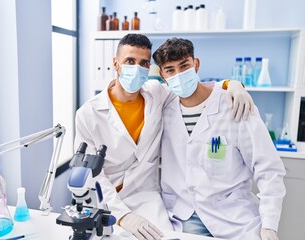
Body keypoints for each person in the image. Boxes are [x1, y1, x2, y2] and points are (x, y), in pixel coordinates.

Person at [74, 34, 253, 240]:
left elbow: (197, 88)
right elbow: (91, 174)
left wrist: (232, 85)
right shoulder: (88, 113)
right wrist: (122, 215)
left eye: (143, 63)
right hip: (104, 199)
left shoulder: (157, 93)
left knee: (164, 237)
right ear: (116, 64)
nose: (137, 68)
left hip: (146, 196)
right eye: (130, 61)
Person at [153, 37, 286, 240]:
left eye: (184, 66)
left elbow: (268, 169)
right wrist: (230, 82)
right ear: (162, 75)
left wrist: (269, 225)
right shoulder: (163, 105)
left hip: (234, 217)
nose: (178, 75)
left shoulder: (234, 103)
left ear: (196, 64)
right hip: (183, 216)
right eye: (170, 70)